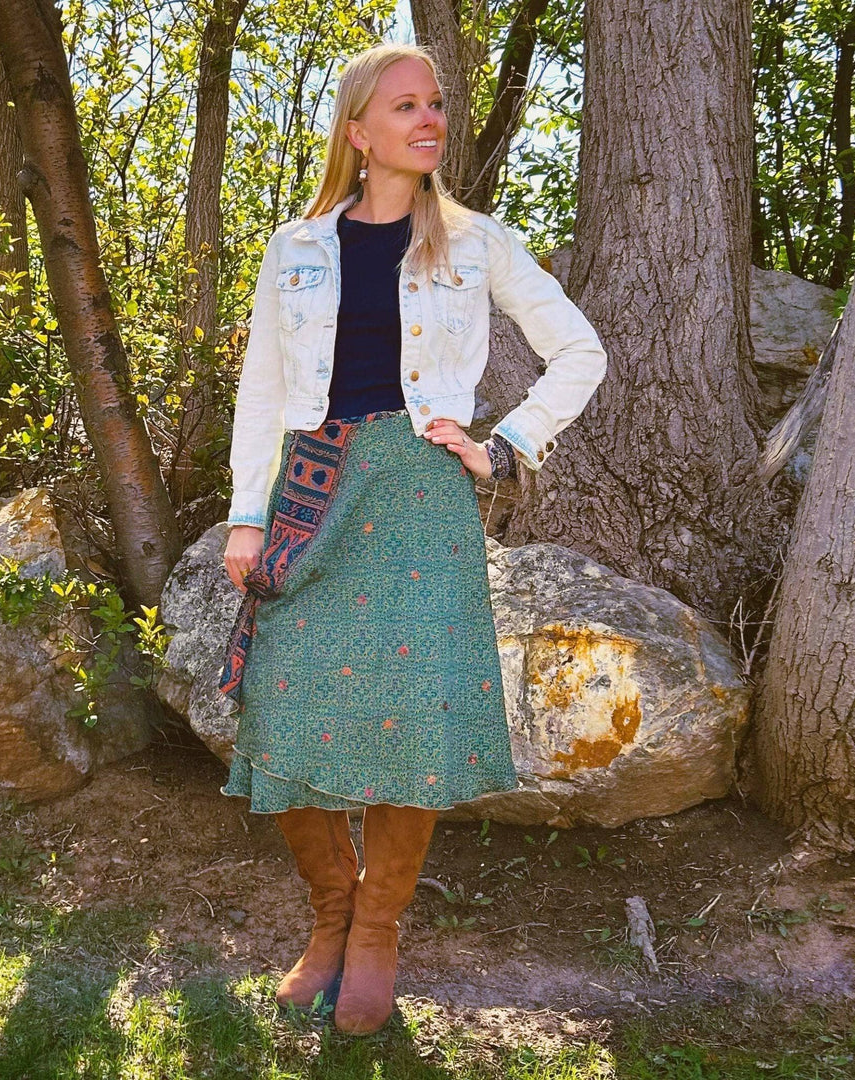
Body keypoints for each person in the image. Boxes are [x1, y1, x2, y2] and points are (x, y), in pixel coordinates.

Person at [217, 42, 606, 1035]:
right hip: (313, 488)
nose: (429, 119)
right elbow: (263, 387)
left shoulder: (476, 242)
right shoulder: (295, 247)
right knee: (277, 702)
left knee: (416, 720)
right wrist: (246, 514)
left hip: (424, 498)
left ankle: (379, 928)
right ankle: (331, 910)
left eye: (435, 105)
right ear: (358, 131)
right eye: (405, 106)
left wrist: (504, 445)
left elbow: (579, 349)